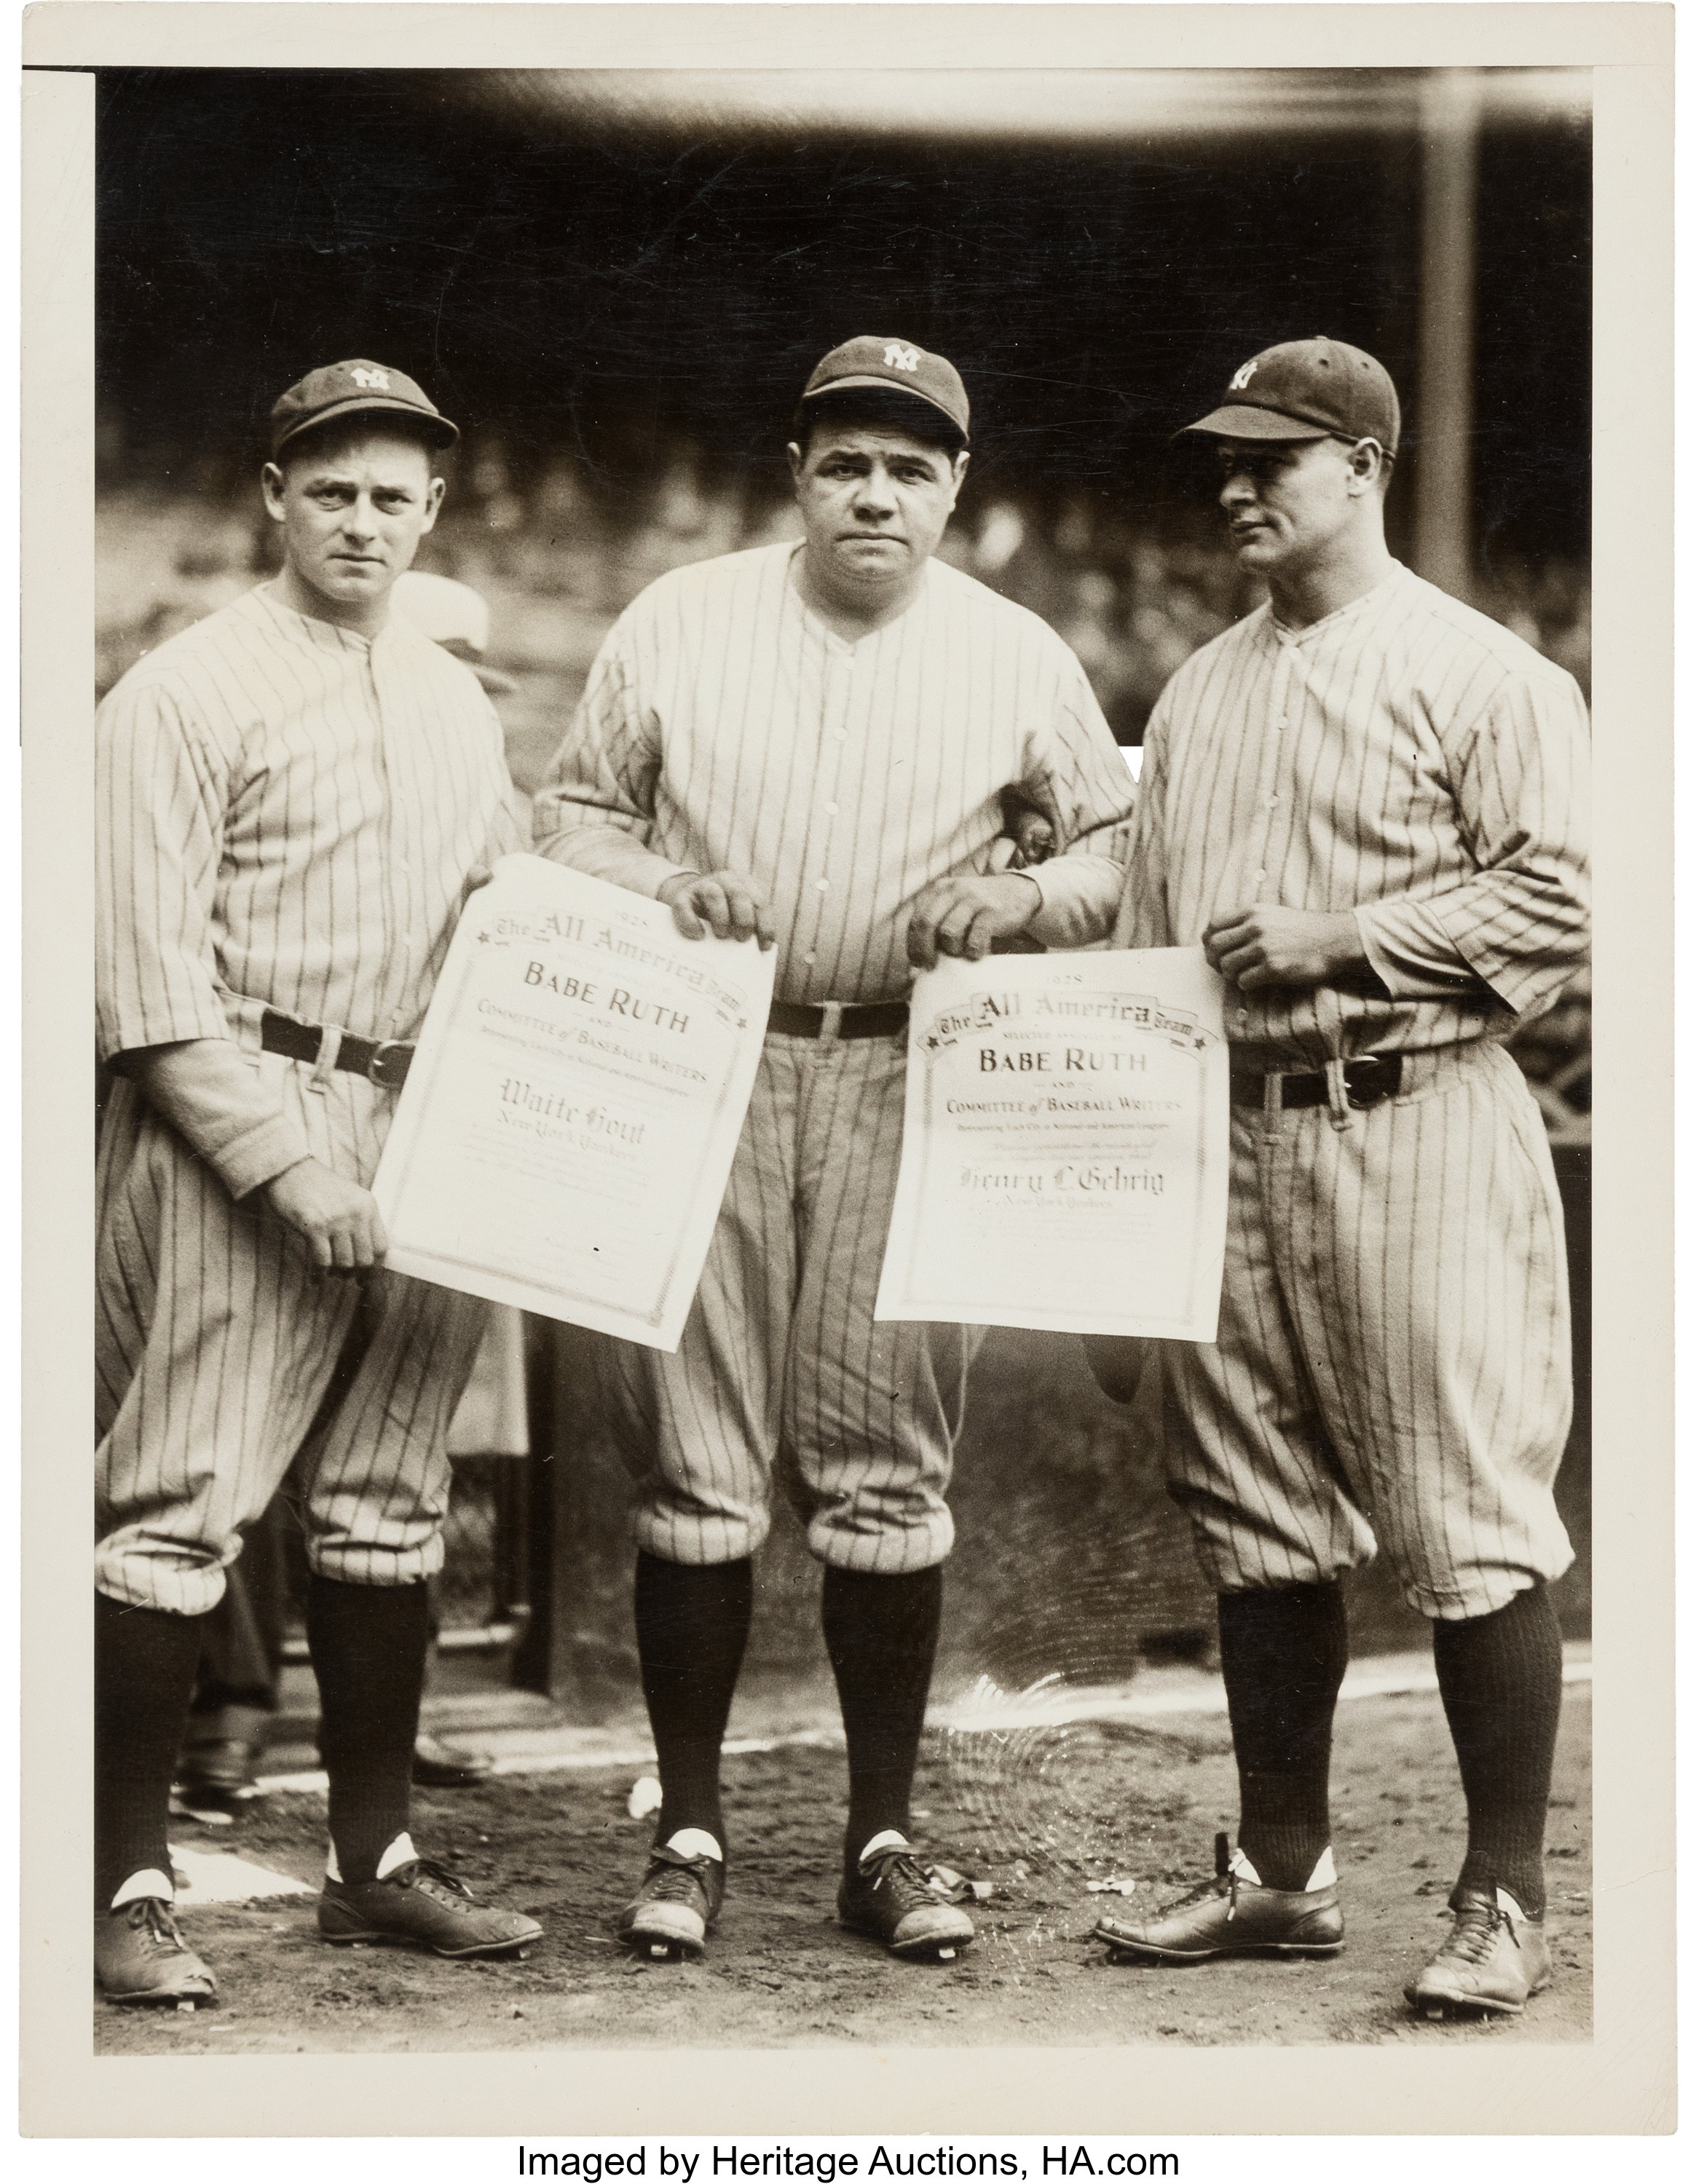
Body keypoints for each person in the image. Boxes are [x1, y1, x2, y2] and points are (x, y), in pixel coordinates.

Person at [532, 335, 1134, 1962]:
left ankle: (882, 1832)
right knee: (698, 1469)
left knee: (885, 1473)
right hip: (708, 1058)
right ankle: (687, 1829)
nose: (876, 490)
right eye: (846, 460)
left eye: (910, 467)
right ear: (797, 473)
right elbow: (571, 817)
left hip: (901, 1064)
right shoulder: (679, 620)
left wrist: (1020, 900)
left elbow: (1115, 848)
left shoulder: (1014, 652)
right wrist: (658, 885)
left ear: (955, 489)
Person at [1084, 339, 1590, 2019]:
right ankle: (1279, 1874)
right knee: (1253, 1513)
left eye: (1272, 458)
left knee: (1466, 1516)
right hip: (1227, 1127)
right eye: (1221, 458)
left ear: (1363, 465)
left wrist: (1351, 932)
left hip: (1415, 1108)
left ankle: (1504, 1897)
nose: (1234, 483)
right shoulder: (1201, 687)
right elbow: (1147, 924)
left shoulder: (1485, 675)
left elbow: (1569, 902)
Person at [95, 360, 543, 2004]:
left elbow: (507, 917)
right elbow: (145, 995)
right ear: (272, 496)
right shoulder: (178, 693)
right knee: (180, 1510)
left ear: (435, 511)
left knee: (384, 1511)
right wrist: (290, 1171)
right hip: (243, 1114)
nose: (363, 518)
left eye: (394, 493)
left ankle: (373, 1860)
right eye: (332, 488)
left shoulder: (444, 695)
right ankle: (123, 1882)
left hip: (423, 1121)